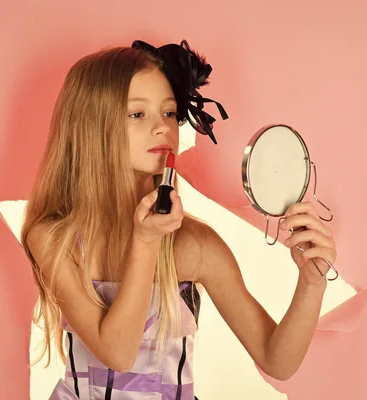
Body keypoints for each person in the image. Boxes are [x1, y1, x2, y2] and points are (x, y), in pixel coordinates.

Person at [21, 38, 338, 400]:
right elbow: (118, 353)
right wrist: (145, 242)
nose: (163, 128)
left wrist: (312, 285)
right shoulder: (54, 238)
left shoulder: (196, 246)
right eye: (138, 114)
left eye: (170, 113)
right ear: (91, 126)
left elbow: (276, 360)